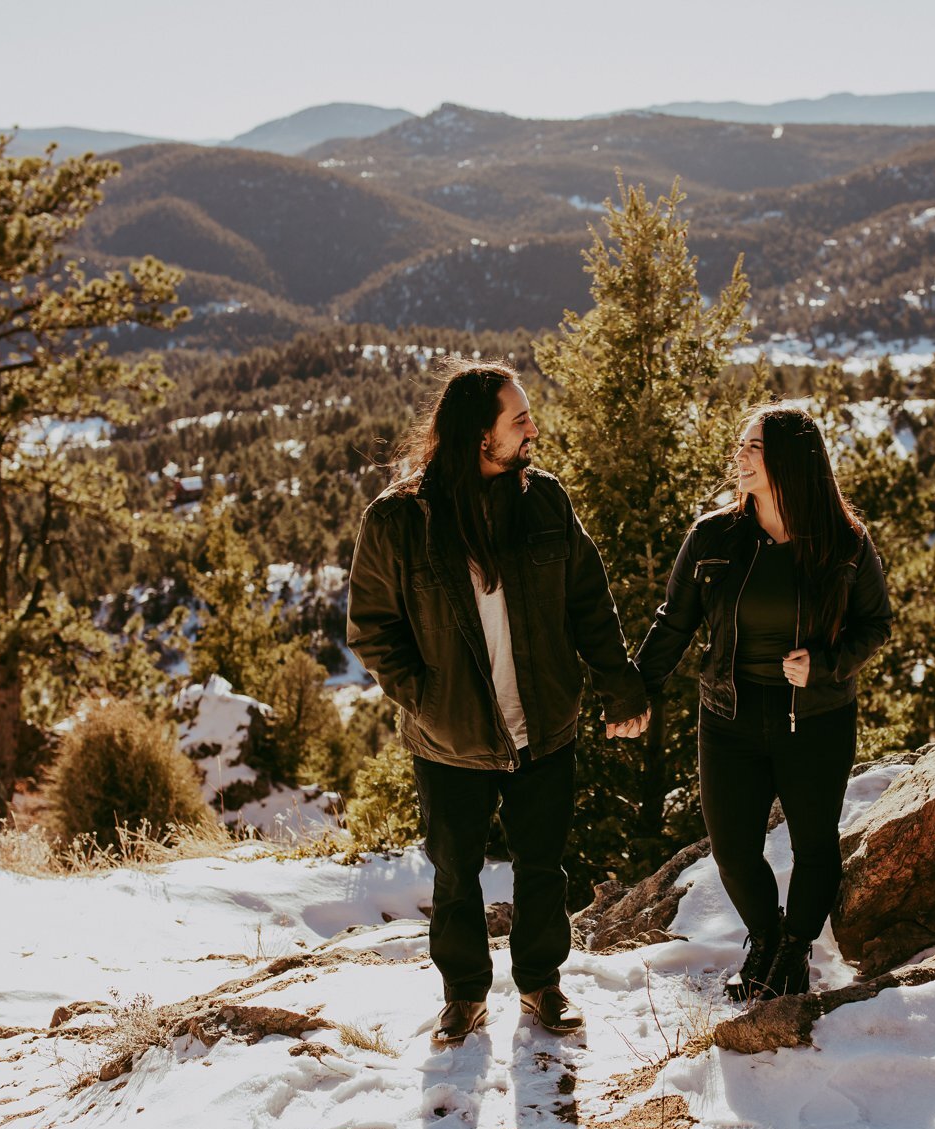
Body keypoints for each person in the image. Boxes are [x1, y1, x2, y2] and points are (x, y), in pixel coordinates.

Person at [348, 361, 650, 1047]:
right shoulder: (399, 520)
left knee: (544, 863)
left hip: (544, 725)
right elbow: (372, 627)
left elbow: (588, 601)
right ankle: (463, 994)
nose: (533, 428)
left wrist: (617, 680)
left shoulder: (544, 502)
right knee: (455, 873)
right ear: (480, 434)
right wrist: (426, 701)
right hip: (449, 741)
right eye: (519, 418)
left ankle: (542, 983)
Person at [636, 406, 891, 1000]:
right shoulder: (713, 536)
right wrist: (635, 689)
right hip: (728, 717)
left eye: (754, 446)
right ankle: (770, 939)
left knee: (814, 844)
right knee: (732, 848)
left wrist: (825, 665)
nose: (741, 456)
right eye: (742, 445)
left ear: (790, 461)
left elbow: (875, 624)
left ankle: (791, 955)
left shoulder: (845, 541)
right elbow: (673, 623)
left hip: (817, 718)